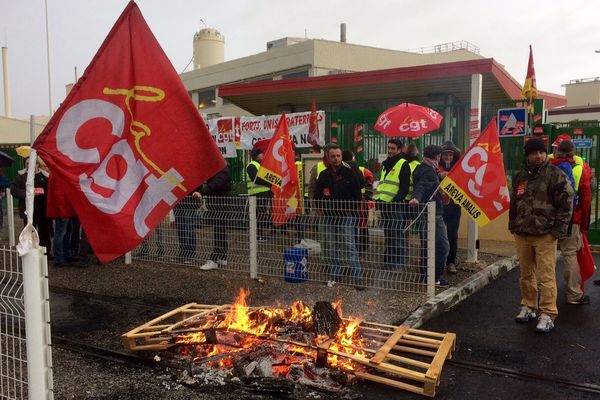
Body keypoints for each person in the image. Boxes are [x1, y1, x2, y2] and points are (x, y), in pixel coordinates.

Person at [509, 138, 574, 334]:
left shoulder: (555, 175)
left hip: (545, 234)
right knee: (526, 273)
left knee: (546, 276)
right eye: (534, 152)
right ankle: (528, 306)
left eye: (541, 152)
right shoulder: (519, 176)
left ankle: (548, 313)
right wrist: (512, 224)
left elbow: (567, 203)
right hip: (522, 233)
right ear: (527, 155)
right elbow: (514, 202)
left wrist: (557, 231)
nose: (538, 156)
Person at [314, 144, 363, 289]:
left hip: (346, 216)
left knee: (349, 246)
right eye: (333, 156)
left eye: (338, 156)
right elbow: (317, 195)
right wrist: (319, 208)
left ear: (341, 157)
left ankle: (357, 277)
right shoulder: (323, 175)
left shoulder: (350, 173)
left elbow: (357, 196)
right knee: (331, 246)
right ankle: (335, 274)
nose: (336, 158)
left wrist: (350, 210)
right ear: (328, 158)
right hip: (329, 217)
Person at [550, 139, 592, 305]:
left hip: (548, 218)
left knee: (547, 255)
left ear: (557, 151)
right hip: (571, 218)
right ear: (573, 153)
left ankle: (545, 292)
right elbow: (586, 199)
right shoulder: (580, 168)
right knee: (570, 254)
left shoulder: (548, 166)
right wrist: (584, 224)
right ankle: (574, 294)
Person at [409, 145, 449, 287]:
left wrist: (439, 176)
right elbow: (422, 185)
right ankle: (435, 277)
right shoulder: (429, 172)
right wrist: (416, 198)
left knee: (427, 245)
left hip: (424, 212)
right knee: (442, 246)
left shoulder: (421, 168)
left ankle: (425, 275)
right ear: (437, 156)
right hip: (432, 213)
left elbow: (426, 181)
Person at [374, 139, 413, 269]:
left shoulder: (403, 164)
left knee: (397, 235)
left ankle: (398, 264)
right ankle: (389, 261)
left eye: (393, 148)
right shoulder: (385, 164)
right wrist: (379, 200)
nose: (390, 150)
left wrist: (395, 201)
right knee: (389, 235)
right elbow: (383, 184)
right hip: (385, 205)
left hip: (395, 206)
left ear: (399, 150)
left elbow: (404, 188)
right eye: (389, 148)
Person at [11, 157, 52, 253]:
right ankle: (30, 251)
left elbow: (51, 190)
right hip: (27, 210)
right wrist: (27, 193)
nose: (29, 165)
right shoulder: (21, 176)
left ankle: (46, 253)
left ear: (37, 164)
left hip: (42, 209)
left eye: (31, 163)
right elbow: (13, 189)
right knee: (29, 232)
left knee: (44, 231)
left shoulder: (45, 175)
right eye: (27, 163)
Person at [198, 165, 232, 271]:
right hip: (217, 204)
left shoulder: (224, 168)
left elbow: (216, 183)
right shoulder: (218, 168)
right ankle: (222, 256)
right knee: (220, 231)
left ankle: (214, 260)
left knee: (219, 232)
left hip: (221, 205)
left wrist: (202, 192)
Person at [47, 173, 81, 267]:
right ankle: (59, 258)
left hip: (66, 209)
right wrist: (63, 211)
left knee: (65, 233)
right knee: (61, 233)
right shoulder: (59, 174)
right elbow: (60, 194)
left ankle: (65, 255)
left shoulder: (56, 172)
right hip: (63, 209)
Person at [342, 150, 373, 256]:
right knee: (362, 225)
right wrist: (366, 198)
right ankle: (363, 248)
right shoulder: (364, 170)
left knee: (350, 226)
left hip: (347, 204)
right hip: (362, 203)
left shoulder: (340, 170)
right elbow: (369, 187)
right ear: (353, 157)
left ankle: (354, 248)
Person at [438, 141, 462, 275]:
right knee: (438, 236)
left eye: (450, 155)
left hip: (454, 206)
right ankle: (438, 262)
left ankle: (451, 261)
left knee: (452, 235)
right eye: (445, 155)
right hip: (440, 207)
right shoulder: (436, 167)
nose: (448, 157)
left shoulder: (459, 168)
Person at [246, 147, 272, 242]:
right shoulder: (252, 165)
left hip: (262, 194)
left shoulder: (260, 165)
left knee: (261, 215)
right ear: (256, 156)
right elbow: (255, 178)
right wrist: (270, 183)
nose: (263, 155)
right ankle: (258, 236)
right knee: (258, 216)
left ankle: (259, 235)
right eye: (261, 154)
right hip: (257, 195)